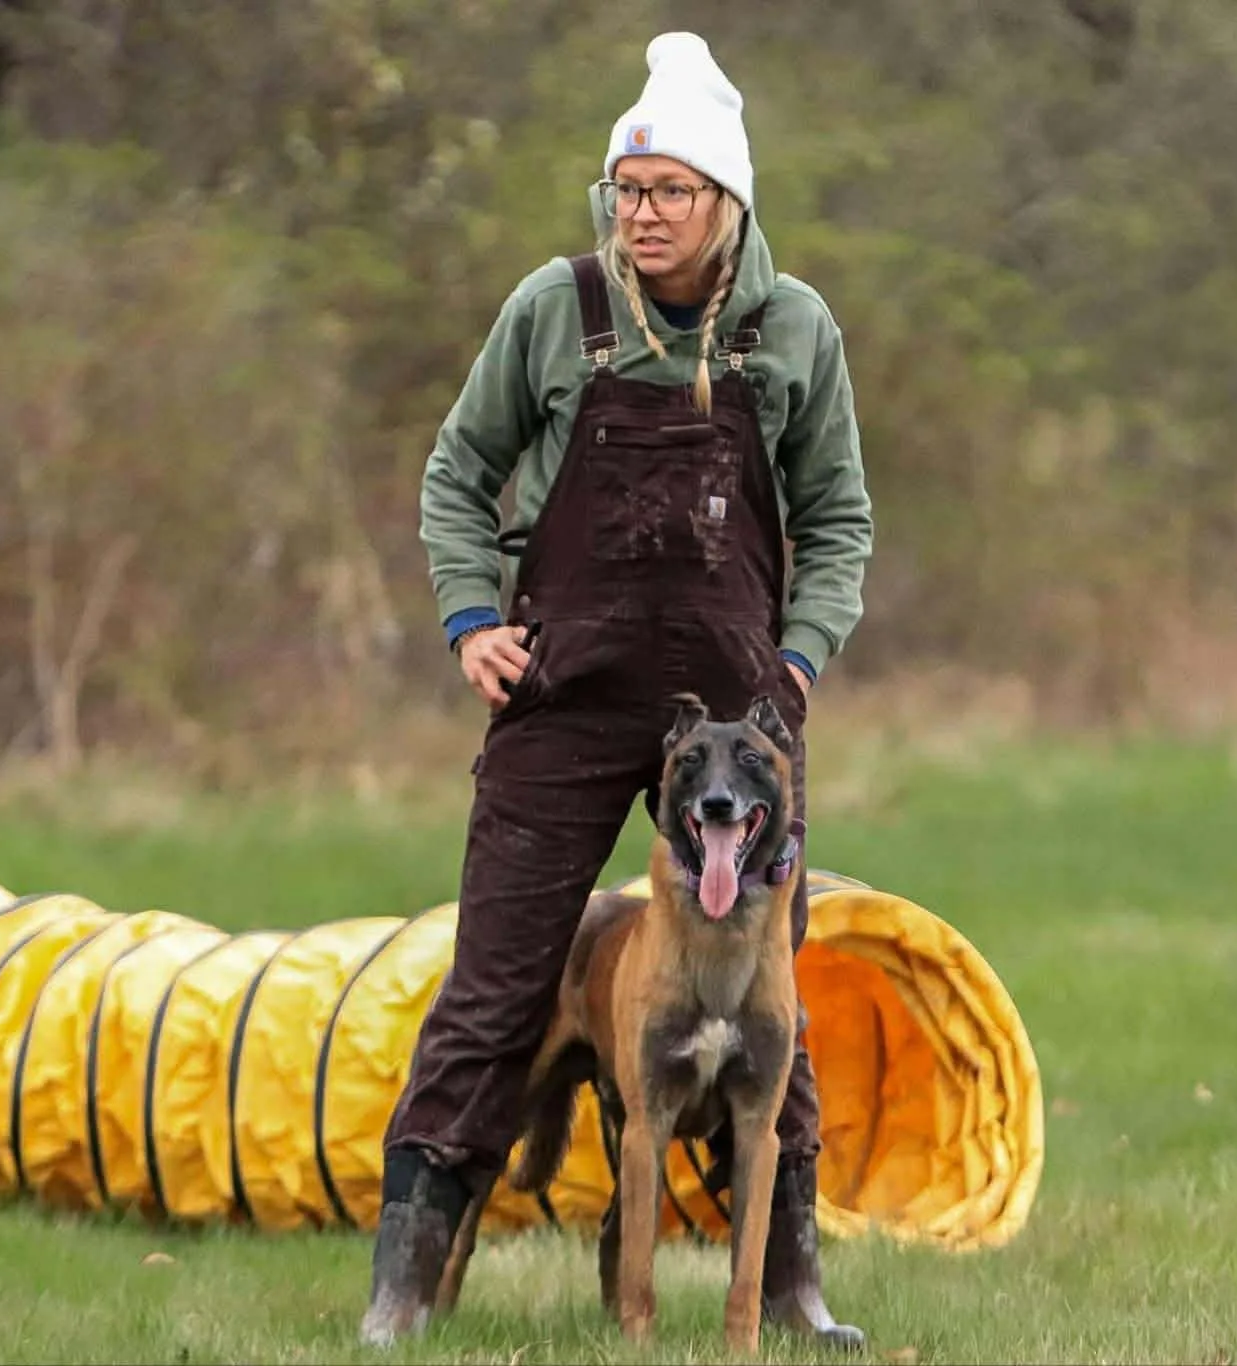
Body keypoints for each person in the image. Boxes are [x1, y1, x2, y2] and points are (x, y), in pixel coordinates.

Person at [358, 29, 874, 1350]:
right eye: (629, 191)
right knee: (495, 987)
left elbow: (839, 520)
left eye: (670, 193)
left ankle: (797, 1282)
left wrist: (798, 666)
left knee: (770, 1000)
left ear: (728, 203)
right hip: (568, 700)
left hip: (735, 735)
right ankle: (404, 1288)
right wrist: (474, 616)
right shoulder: (557, 309)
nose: (641, 214)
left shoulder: (793, 330)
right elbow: (456, 473)